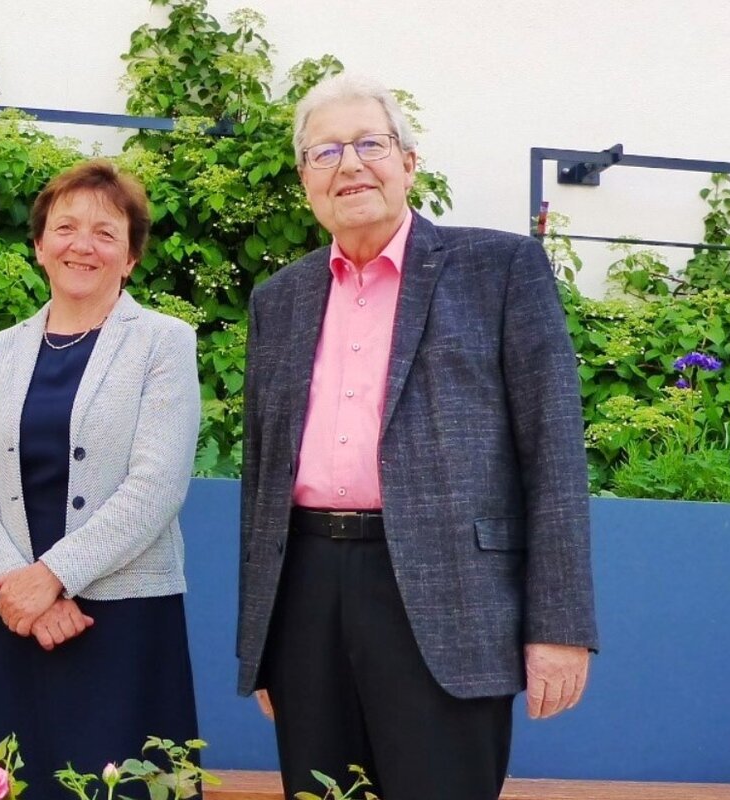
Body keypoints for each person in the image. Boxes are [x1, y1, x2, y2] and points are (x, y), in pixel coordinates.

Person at [236, 73, 597, 800]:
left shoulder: (499, 269)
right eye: (325, 152)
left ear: (408, 161)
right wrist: (261, 643)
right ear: (305, 179)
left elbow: (554, 455)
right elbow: (262, 474)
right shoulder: (279, 299)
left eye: (369, 144)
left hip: (448, 596)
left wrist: (560, 626)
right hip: (306, 592)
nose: (349, 165)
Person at [0, 160, 200, 791]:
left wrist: (53, 578)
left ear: (131, 258)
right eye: (65, 228)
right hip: (15, 623)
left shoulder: (164, 343)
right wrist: (22, 597)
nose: (82, 245)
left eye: (105, 232)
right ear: (39, 246)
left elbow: (156, 486)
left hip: (126, 627)